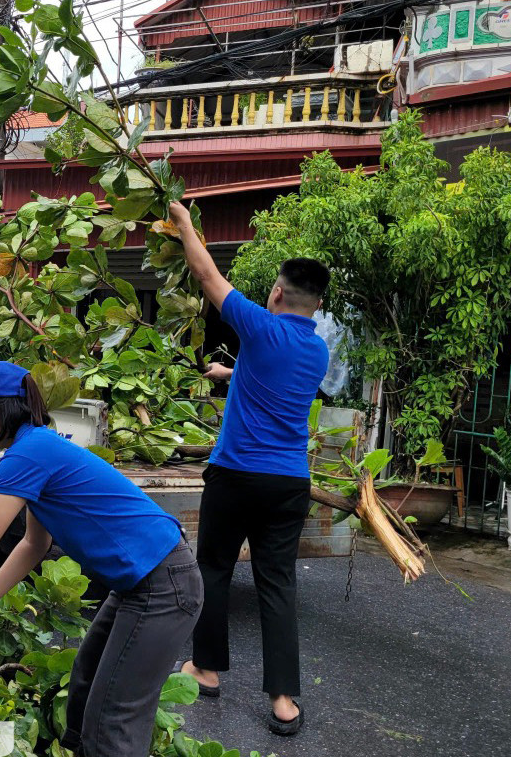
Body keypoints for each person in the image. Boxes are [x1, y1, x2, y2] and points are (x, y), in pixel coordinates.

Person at [0, 361, 201, 757]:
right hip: (141, 583)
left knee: (113, 718)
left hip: (163, 585)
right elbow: (32, 545)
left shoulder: (27, 453)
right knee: (85, 682)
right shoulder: (39, 447)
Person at [168, 201, 330, 737]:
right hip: (289, 484)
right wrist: (229, 370)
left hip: (236, 474)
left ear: (277, 294)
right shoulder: (316, 351)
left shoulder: (259, 325)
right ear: (319, 304)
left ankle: (206, 670)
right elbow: (271, 379)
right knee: (277, 584)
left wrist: (187, 225)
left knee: (214, 567)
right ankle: (284, 701)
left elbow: (206, 273)